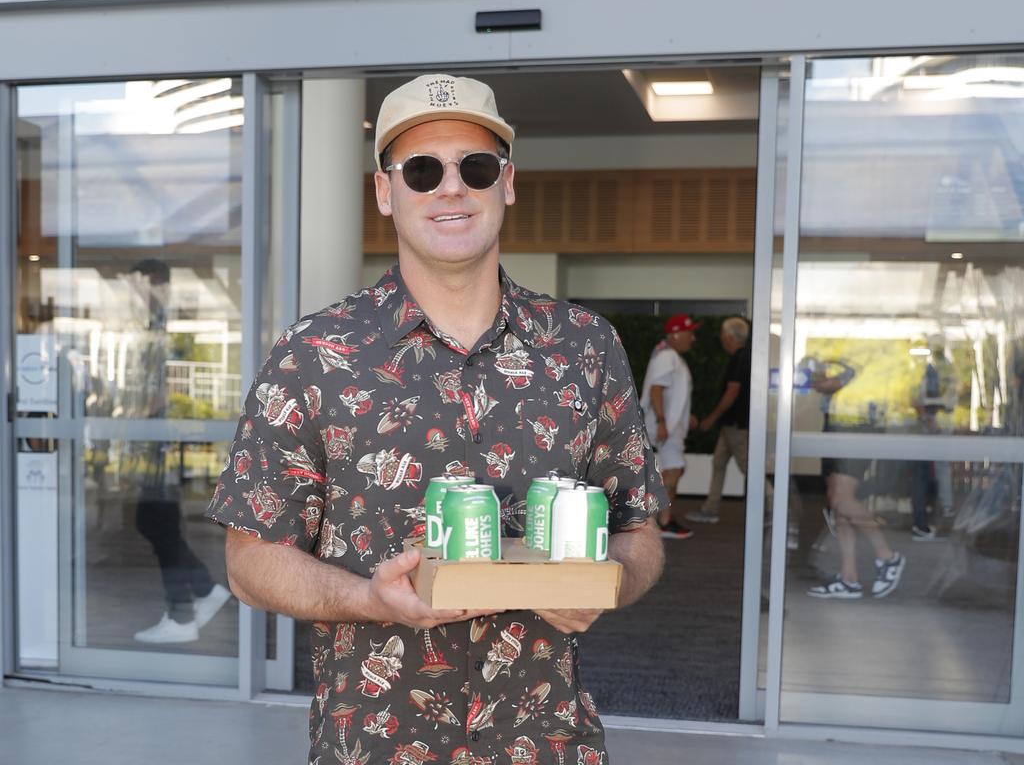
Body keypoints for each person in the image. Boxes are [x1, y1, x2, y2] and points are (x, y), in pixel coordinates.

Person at [206, 74, 667, 764]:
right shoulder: (315, 354)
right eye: (421, 170)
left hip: (544, 744)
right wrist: (371, 598)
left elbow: (641, 534)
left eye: (473, 167)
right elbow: (250, 563)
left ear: (506, 183)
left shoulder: (585, 347)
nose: (450, 188)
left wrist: (603, 586)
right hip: (376, 745)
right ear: (385, 193)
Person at [126, 259, 232, 643]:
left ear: (151, 282)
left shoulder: (165, 325)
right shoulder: (156, 322)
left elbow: (165, 387)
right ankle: (203, 589)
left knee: (157, 521)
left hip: (162, 444)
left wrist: (139, 413)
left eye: (135, 284)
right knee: (153, 521)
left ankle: (182, 615)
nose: (131, 293)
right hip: (159, 443)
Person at [805, 357, 905, 599]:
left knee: (841, 499)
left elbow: (832, 383)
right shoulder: (835, 350)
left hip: (854, 426)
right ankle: (849, 577)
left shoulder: (857, 349)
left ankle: (887, 556)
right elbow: (823, 382)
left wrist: (816, 376)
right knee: (838, 502)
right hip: (839, 425)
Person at [686, 317, 755, 524]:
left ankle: (774, 506)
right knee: (719, 463)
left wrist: (711, 418)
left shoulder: (739, 358)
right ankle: (710, 508)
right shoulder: (743, 357)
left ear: (730, 337)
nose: (722, 339)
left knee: (749, 467)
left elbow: (732, 391)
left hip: (736, 424)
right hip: (732, 423)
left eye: (723, 335)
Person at [640, 313, 699, 539]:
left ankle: (660, 519)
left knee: (672, 470)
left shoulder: (669, 355)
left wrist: (686, 415)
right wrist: (663, 422)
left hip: (668, 426)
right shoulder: (667, 357)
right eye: (689, 332)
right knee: (673, 470)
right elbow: (657, 390)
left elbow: (670, 392)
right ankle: (660, 521)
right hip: (665, 428)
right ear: (675, 334)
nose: (692, 338)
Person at [909, 333, 957, 540]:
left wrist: (929, 418)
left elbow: (923, 398)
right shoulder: (936, 368)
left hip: (934, 422)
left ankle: (935, 510)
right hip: (934, 421)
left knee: (927, 470)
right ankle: (937, 509)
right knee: (929, 470)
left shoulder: (935, 368)